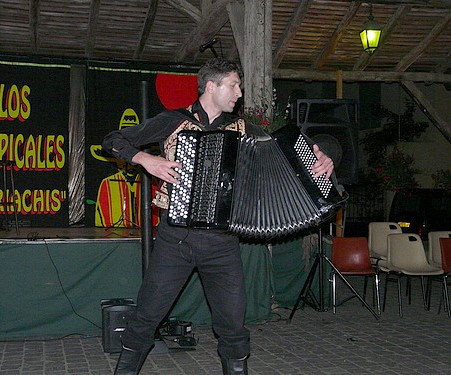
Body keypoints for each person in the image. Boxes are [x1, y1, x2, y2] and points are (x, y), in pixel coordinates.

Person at [102, 58, 334, 375]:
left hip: (223, 243)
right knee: (147, 316)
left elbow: (290, 152)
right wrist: (146, 160)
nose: (239, 93)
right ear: (212, 86)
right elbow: (113, 140)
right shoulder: (173, 121)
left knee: (232, 326)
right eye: (234, 85)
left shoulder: (243, 130)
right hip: (176, 239)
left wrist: (320, 157)